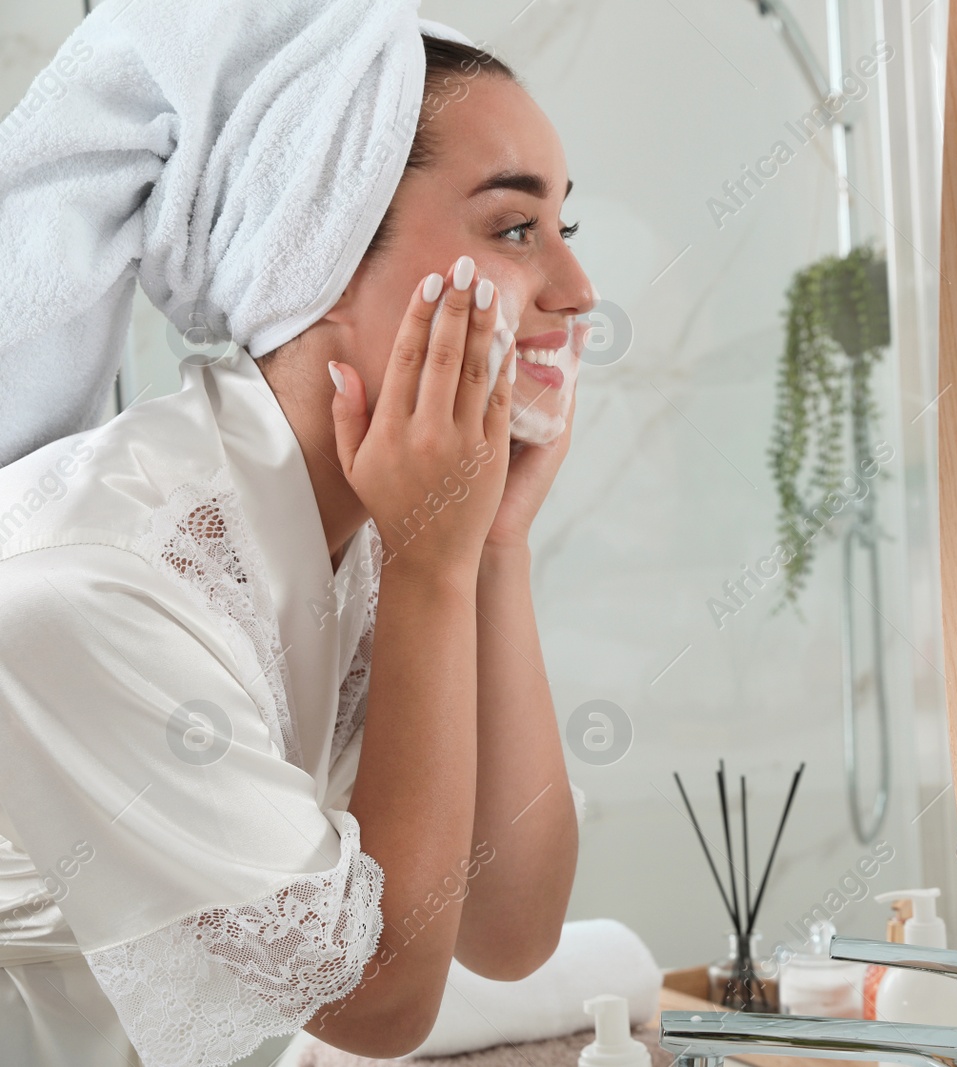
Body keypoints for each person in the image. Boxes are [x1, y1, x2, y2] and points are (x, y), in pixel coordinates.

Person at [0, 4, 592, 1064]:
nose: (577, 291)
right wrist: (434, 568)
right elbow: (375, 1004)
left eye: (566, 228)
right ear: (316, 252)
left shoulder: (381, 524)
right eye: (513, 228)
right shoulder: (93, 583)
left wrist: (493, 547)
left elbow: (510, 932)